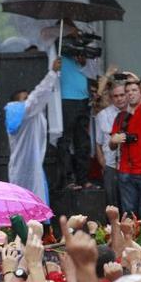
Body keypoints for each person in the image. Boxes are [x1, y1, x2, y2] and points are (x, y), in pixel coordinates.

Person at [5, 59, 62, 203]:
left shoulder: (31, 115)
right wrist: (52, 73)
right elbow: (37, 97)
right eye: (24, 98)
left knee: (34, 204)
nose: (27, 100)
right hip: (23, 168)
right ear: (16, 102)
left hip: (33, 166)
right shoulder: (18, 111)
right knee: (22, 204)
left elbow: (37, 100)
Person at [110, 74, 141, 219]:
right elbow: (112, 145)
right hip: (126, 171)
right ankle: (129, 240)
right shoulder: (120, 116)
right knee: (128, 213)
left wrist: (138, 80)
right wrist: (114, 140)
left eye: (134, 90)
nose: (130, 93)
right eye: (128, 91)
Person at [58, 48, 94, 189]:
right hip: (66, 99)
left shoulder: (81, 52)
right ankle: (68, 179)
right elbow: (46, 35)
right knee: (65, 141)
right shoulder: (59, 48)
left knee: (83, 141)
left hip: (83, 99)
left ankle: (83, 178)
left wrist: (84, 60)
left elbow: (93, 73)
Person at [95, 80, 126, 207]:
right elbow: (98, 143)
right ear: (111, 97)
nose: (119, 99)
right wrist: (104, 165)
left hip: (131, 166)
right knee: (112, 203)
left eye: (122, 95)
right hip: (111, 165)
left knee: (128, 204)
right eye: (115, 96)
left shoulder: (135, 112)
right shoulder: (103, 115)